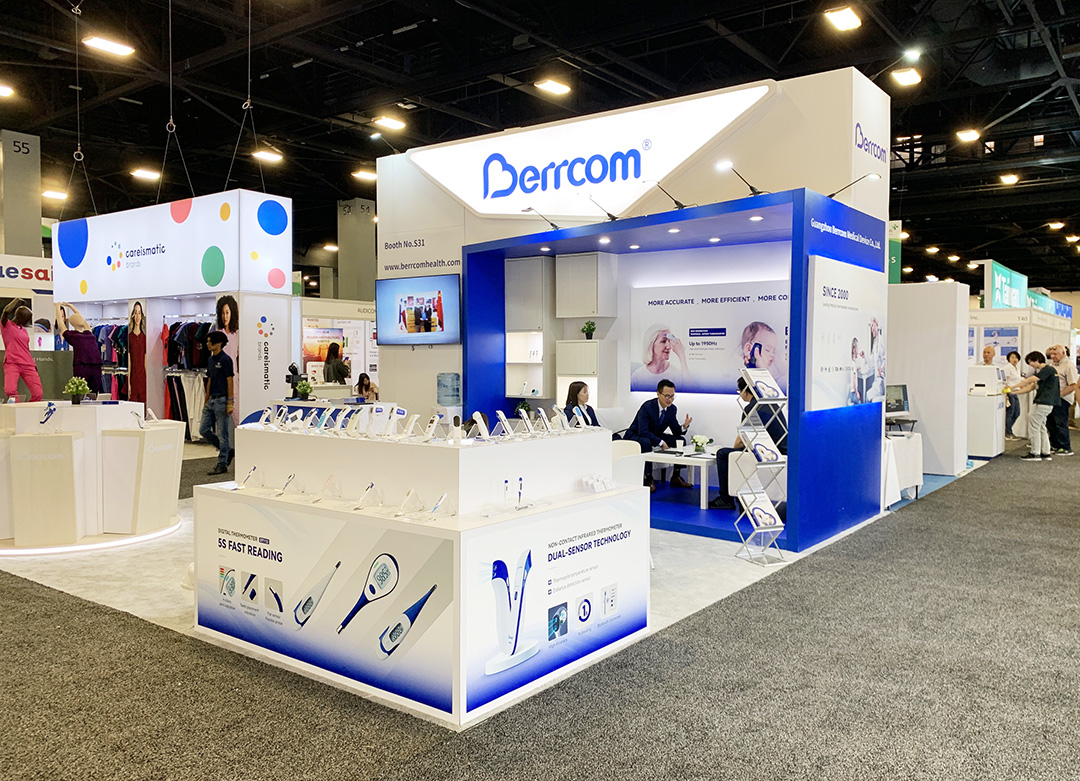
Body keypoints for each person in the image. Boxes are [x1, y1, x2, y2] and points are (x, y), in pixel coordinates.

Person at [709, 377, 788, 510]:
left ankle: (725, 498)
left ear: (745, 391)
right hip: (782, 450)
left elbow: (741, 441)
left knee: (723, 454)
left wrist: (734, 450)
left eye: (739, 391)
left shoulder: (752, 408)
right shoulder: (771, 404)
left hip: (770, 454)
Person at [622, 379, 693, 492]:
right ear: (658, 394)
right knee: (646, 442)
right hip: (636, 435)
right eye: (667, 396)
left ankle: (676, 476)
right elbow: (643, 431)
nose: (670, 399)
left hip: (654, 435)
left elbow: (675, 430)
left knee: (680, 440)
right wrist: (660, 442)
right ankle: (648, 478)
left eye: (672, 396)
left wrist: (684, 426)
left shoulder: (672, 409)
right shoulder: (647, 407)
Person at [1006, 351, 1057, 462]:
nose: (1030, 365)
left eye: (1030, 362)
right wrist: (1013, 392)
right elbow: (1030, 387)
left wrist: (1012, 387)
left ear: (1037, 360)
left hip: (1042, 403)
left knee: (1034, 427)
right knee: (1041, 427)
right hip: (1047, 404)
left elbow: (1029, 380)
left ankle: (1035, 453)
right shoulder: (1046, 373)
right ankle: (1045, 452)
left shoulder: (1047, 370)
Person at [200, 331, 234, 475]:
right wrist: (206, 400)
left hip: (222, 400)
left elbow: (230, 381)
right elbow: (209, 381)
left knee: (222, 433)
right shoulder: (210, 360)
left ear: (218, 343)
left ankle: (222, 463)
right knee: (203, 430)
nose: (207, 344)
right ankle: (227, 450)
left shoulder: (226, 360)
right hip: (211, 400)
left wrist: (230, 402)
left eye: (210, 341)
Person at [56, 302, 103, 395]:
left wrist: (69, 307)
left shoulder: (86, 334)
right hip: (88, 366)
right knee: (83, 392)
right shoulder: (77, 335)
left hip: (90, 366)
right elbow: (61, 324)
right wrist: (60, 307)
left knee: (89, 393)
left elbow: (62, 324)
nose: (81, 319)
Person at [1, 298, 43, 402]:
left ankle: (30, 409)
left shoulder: (23, 330)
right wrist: (16, 300)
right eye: (27, 319)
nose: (28, 321)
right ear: (21, 317)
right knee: (10, 390)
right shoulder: (6, 325)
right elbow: (6, 311)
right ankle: (18, 406)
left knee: (38, 393)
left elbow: (25, 348)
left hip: (28, 363)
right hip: (12, 362)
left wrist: (33, 365)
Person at [630, 325, 687, 389]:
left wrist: (682, 356)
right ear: (651, 344)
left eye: (669, 341)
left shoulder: (676, 375)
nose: (669, 346)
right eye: (663, 341)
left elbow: (689, 389)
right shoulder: (637, 377)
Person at [1047, 344, 1076, 456]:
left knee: (1060, 423)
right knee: (1051, 423)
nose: (1053, 356)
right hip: (1052, 398)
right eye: (1051, 354)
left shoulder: (1068, 365)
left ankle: (1065, 447)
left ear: (1063, 353)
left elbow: (1072, 385)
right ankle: (1055, 445)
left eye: (1056, 354)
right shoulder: (1051, 365)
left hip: (1063, 398)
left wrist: (1059, 395)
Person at [128, 301, 147, 404]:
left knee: (143, 406)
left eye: (139, 313)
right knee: (133, 406)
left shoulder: (144, 337)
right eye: (135, 312)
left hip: (143, 378)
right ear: (132, 315)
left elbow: (146, 361)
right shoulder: (129, 337)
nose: (137, 316)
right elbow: (129, 361)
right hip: (133, 378)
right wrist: (129, 384)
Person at [1003, 350, 1022, 441]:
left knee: (1017, 413)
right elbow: (1005, 381)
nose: (1014, 359)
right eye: (1012, 357)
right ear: (1008, 359)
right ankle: (1008, 432)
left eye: (1016, 357)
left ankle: (1008, 430)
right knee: (1010, 413)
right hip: (1009, 392)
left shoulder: (1017, 368)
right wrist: (1006, 394)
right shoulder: (1008, 367)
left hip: (1015, 392)